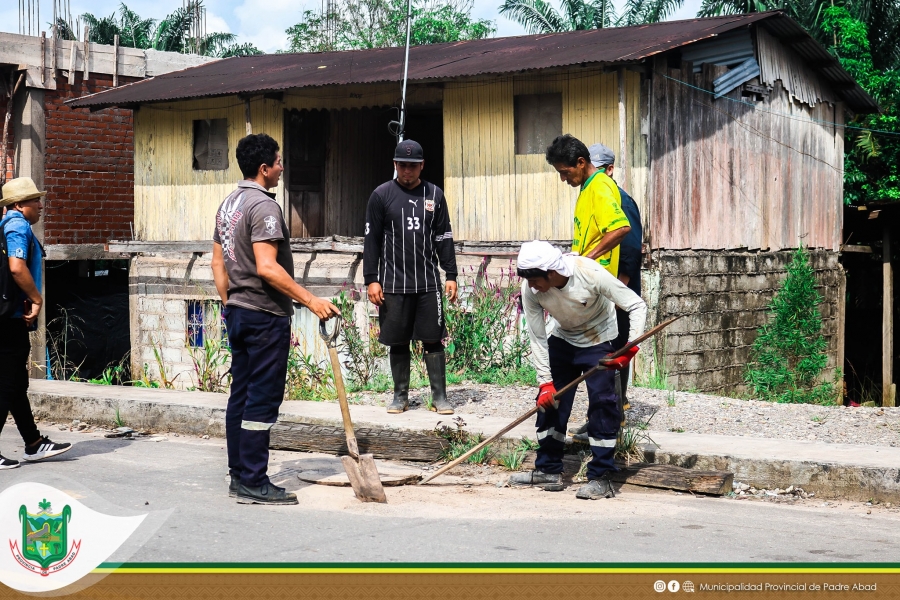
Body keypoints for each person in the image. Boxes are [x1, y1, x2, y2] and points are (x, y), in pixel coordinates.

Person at [211, 133, 339, 505]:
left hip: (237, 310)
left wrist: (230, 303)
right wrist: (311, 300)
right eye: (279, 163)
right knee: (262, 399)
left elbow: (218, 263)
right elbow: (267, 268)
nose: (283, 168)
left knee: (241, 395)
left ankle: (238, 474)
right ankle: (253, 478)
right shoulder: (263, 207)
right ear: (264, 169)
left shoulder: (228, 205)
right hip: (263, 315)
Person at [510, 241, 646, 499]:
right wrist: (545, 383)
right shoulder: (531, 289)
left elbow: (636, 305)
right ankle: (548, 469)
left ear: (551, 273)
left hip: (599, 338)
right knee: (550, 402)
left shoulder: (588, 272)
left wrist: (630, 348)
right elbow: (537, 337)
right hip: (563, 338)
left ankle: (602, 476)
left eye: (535, 280)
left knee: (602, 404)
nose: (531, 286)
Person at [363, 140, 458, 415]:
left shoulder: (434, 195)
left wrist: (450, 274)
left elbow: (444, 237)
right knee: (398, 340)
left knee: (433, 339)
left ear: (422, 166)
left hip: (428, 283)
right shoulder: (380, 196)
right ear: (395, 165)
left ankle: (440, 397)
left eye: (413, 166)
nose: (408, 171)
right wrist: (372, 279)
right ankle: (399, 396)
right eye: (402, 166)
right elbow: (372, 242)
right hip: (393, 284)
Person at [571, 143, 644, 440]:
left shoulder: (620, 200)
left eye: (600, 170)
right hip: (598, 286)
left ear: (610, 169)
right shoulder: (591, 193)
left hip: (617, 288)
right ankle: (605, 412)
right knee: (601, 350)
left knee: (612, 351)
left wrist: (619, 290)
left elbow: (629, 247)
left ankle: (613, 415)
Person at [0, 177, 72, 468]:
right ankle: (33, 443)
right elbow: (17, 267)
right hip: (8, 320)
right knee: (7, 385)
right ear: (19, 205)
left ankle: (33, 443)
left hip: (9, 315)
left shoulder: (6, 225)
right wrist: (37, 298)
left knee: (16, 384)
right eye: (35, 201)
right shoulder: (17, 225)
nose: (40, 206)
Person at [546, 134, 630, 278]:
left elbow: (621, 228)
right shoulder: (587, 186)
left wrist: (587, 259)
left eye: (565, 172)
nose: (563, 179)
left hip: (597, 279)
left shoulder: (599, 185)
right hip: (586, 276)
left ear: (581, 162)